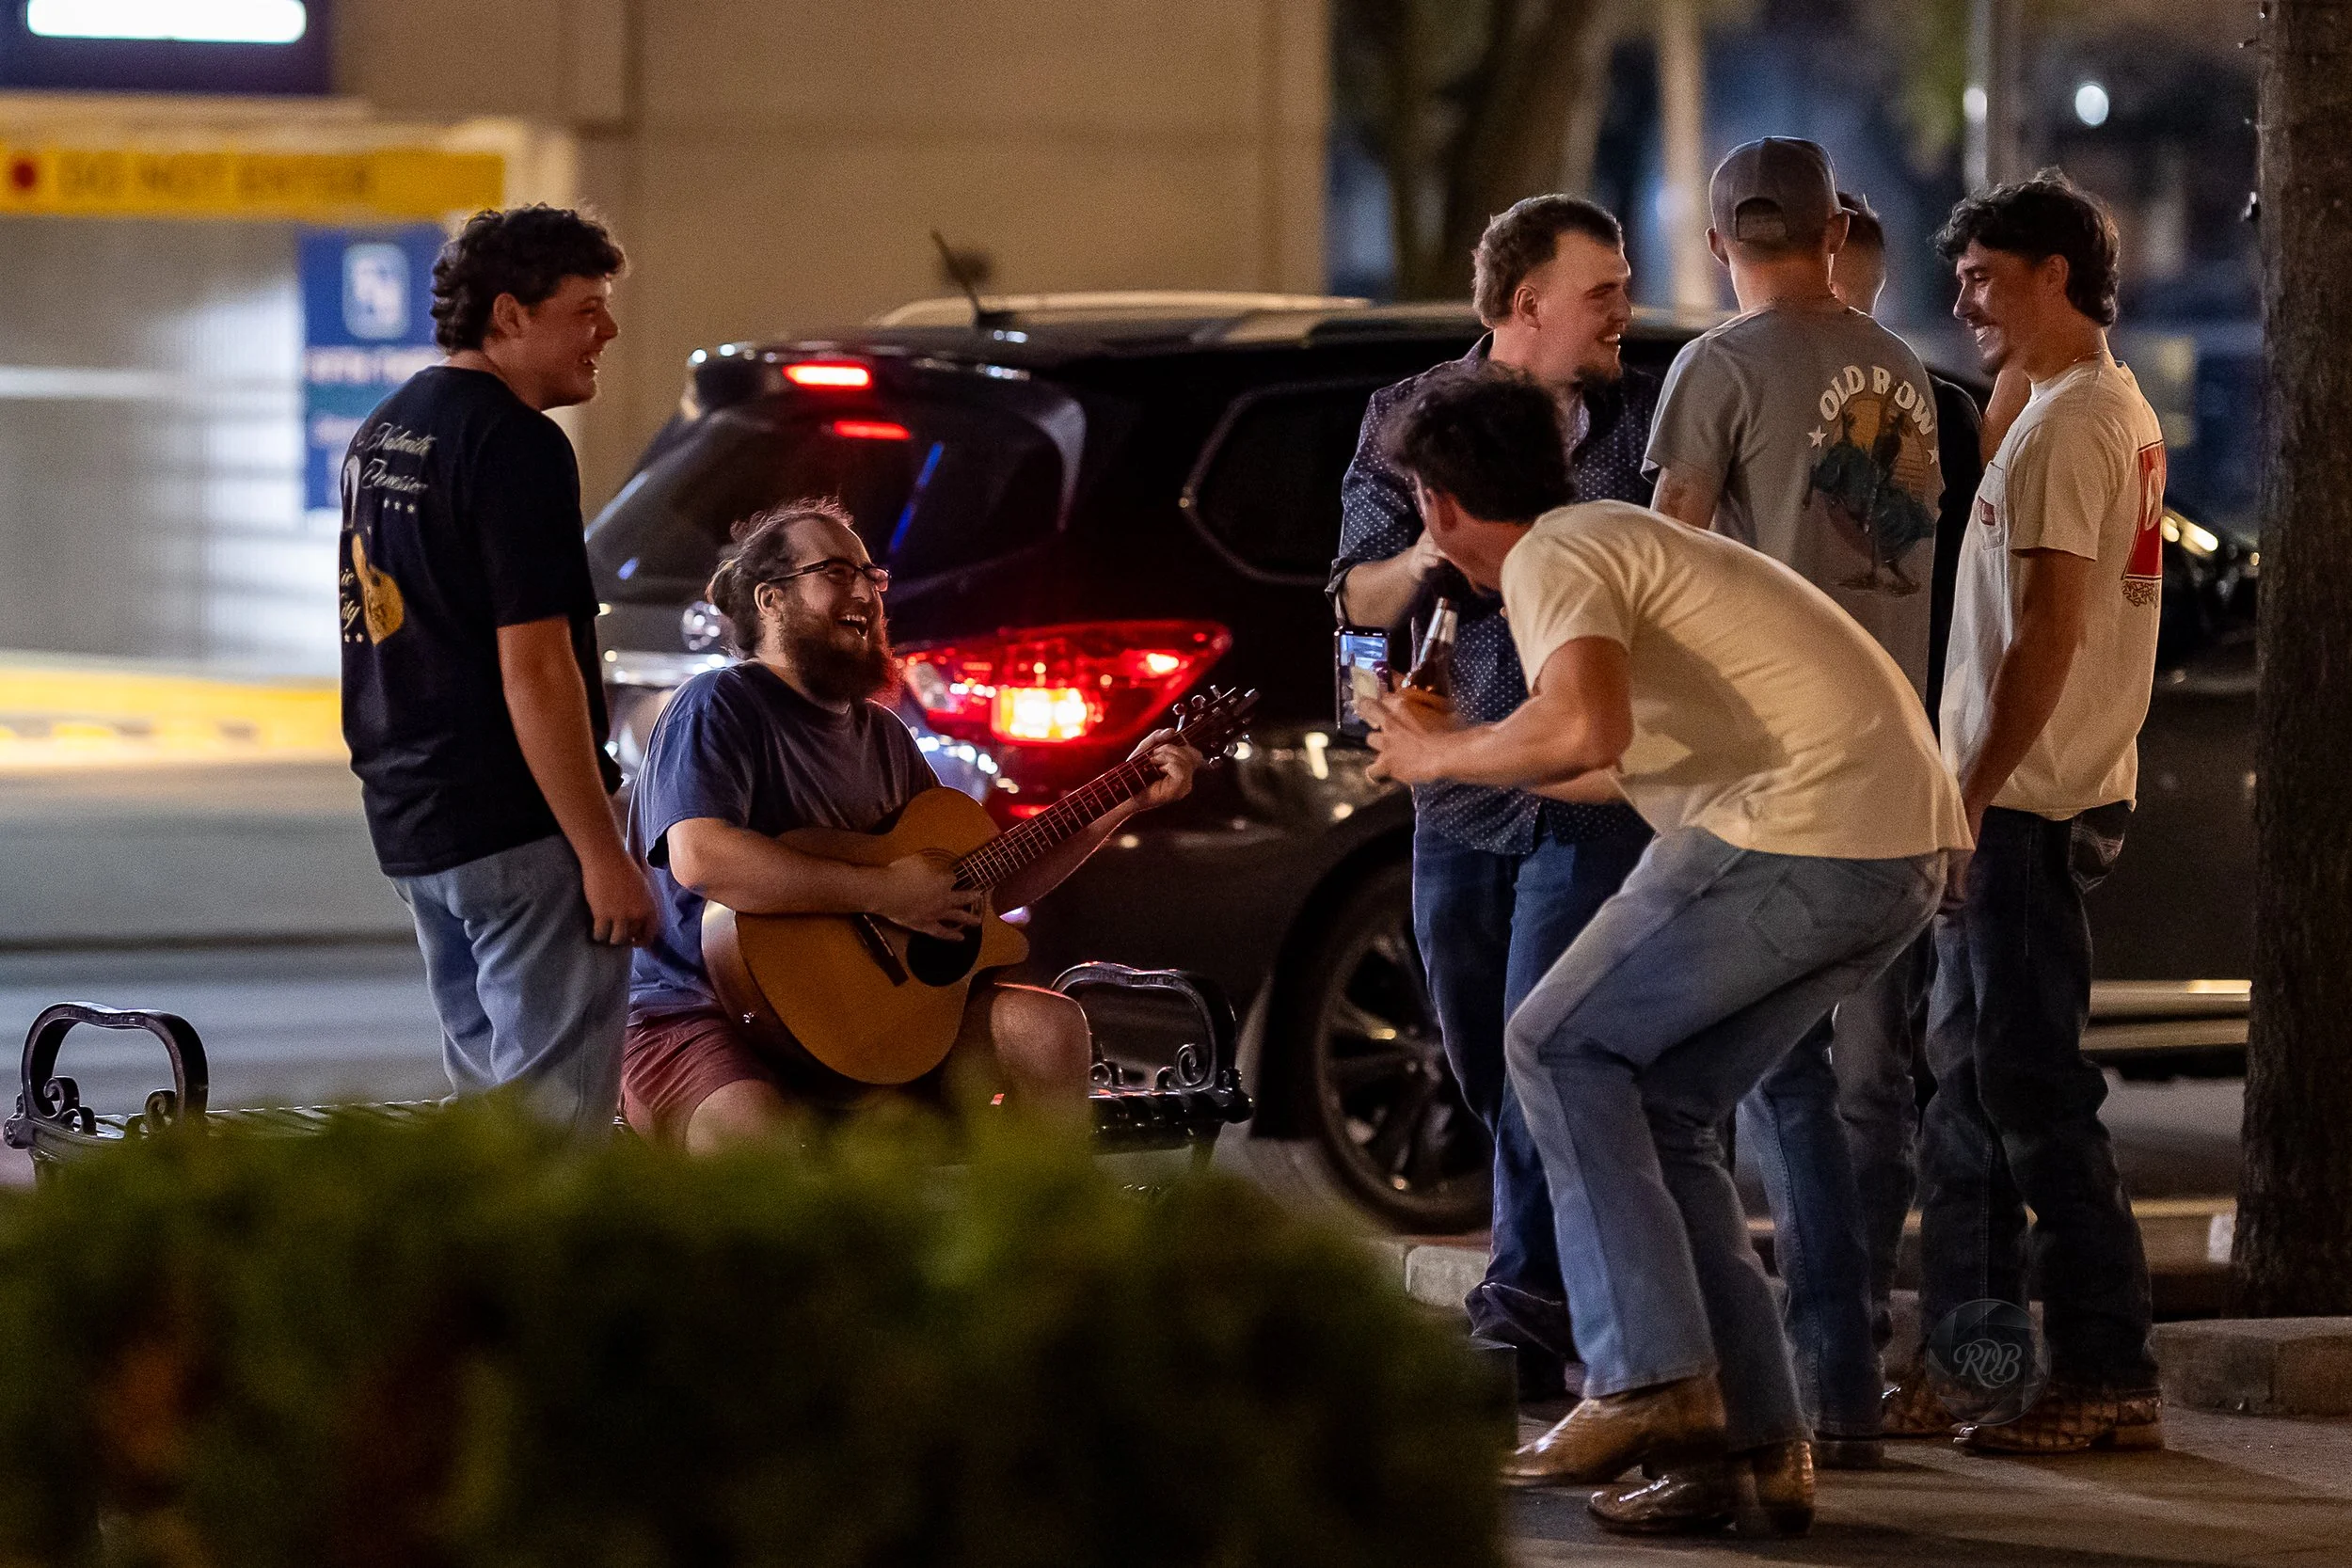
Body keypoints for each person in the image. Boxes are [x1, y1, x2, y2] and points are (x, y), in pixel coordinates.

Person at [1362, 366, 1964, 1536]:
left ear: (1437, 508)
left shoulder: (1554, 554)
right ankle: (1746, 1443)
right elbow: (1606, 759)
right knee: (1663, 1107)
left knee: (1551, 1039)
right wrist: (1469, 742)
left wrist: (1439, 758)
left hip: (1805, 825)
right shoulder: (1617, 541)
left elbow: (1586, 721)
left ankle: (1644, 1378)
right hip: (1889, 845)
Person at [1644, 137, 1945, 1462]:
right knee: (1821, 1085)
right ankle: (1843, 1388)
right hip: (1900, 763)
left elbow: (1670, 560)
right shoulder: (1910, 380)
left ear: (1719, 246)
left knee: (1743, 1081)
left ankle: (1730, 1386)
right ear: (1834, 233)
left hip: (1773, 773)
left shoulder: (1713, 369)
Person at [1329, 195, 1658, 1398]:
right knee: (1478, 1044)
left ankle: (1527, 1314)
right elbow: (1354, 600)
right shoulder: (1408, 420)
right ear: (1528, 305)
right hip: (1461, 795)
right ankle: (1570, 1288)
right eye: (1603, 289)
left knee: (1539, 1036)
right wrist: (1435, 539)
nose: (1626, 307)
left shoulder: (1644, 419)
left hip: (1591, 786)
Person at [619, 500, 1200, 1149]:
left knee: (1047, 1029)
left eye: (873, 576)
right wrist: (883, 891)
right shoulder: (720, 703)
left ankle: (1036, 1239)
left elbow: (974, 890)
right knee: (755, 1142)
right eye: (837, 573)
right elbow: (704, 858)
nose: (866, 592)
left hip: (859, 1019)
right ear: (771, 600)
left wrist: (1123, 799)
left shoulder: (885, 737)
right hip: (706, 1015)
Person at [1892, 172, 2168, 1454]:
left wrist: (1971, 789)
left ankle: (2106, 1369)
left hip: (2026, 807)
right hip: (2030, 800)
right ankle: (1979, 1364)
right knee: (1970, 1100)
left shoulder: (2075, 426)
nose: (1965, 297)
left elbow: (2048, 632)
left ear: (2058, 273)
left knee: (2031, 1093)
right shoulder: (2072, 406)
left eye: (1990, 275)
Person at [340, 205, 654, 1135]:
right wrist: (604, 857)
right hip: (519, 831)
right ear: (509, 315)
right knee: (555, 1140)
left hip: (417, 827)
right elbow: (540, 672)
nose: (607, 330)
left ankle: (472, 1281)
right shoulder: (516, 446)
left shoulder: (386, 430)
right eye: (585, 308)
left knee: (491, 1130)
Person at [1826, 190, 1989, 1364]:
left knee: (1878, 1078)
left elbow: (1978, 617)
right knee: (1844, 1082)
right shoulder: (1740, 390)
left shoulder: (1942, 417)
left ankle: (1859, 1330)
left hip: (1900, 784)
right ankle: (1837, 1330)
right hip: (1813, 789)